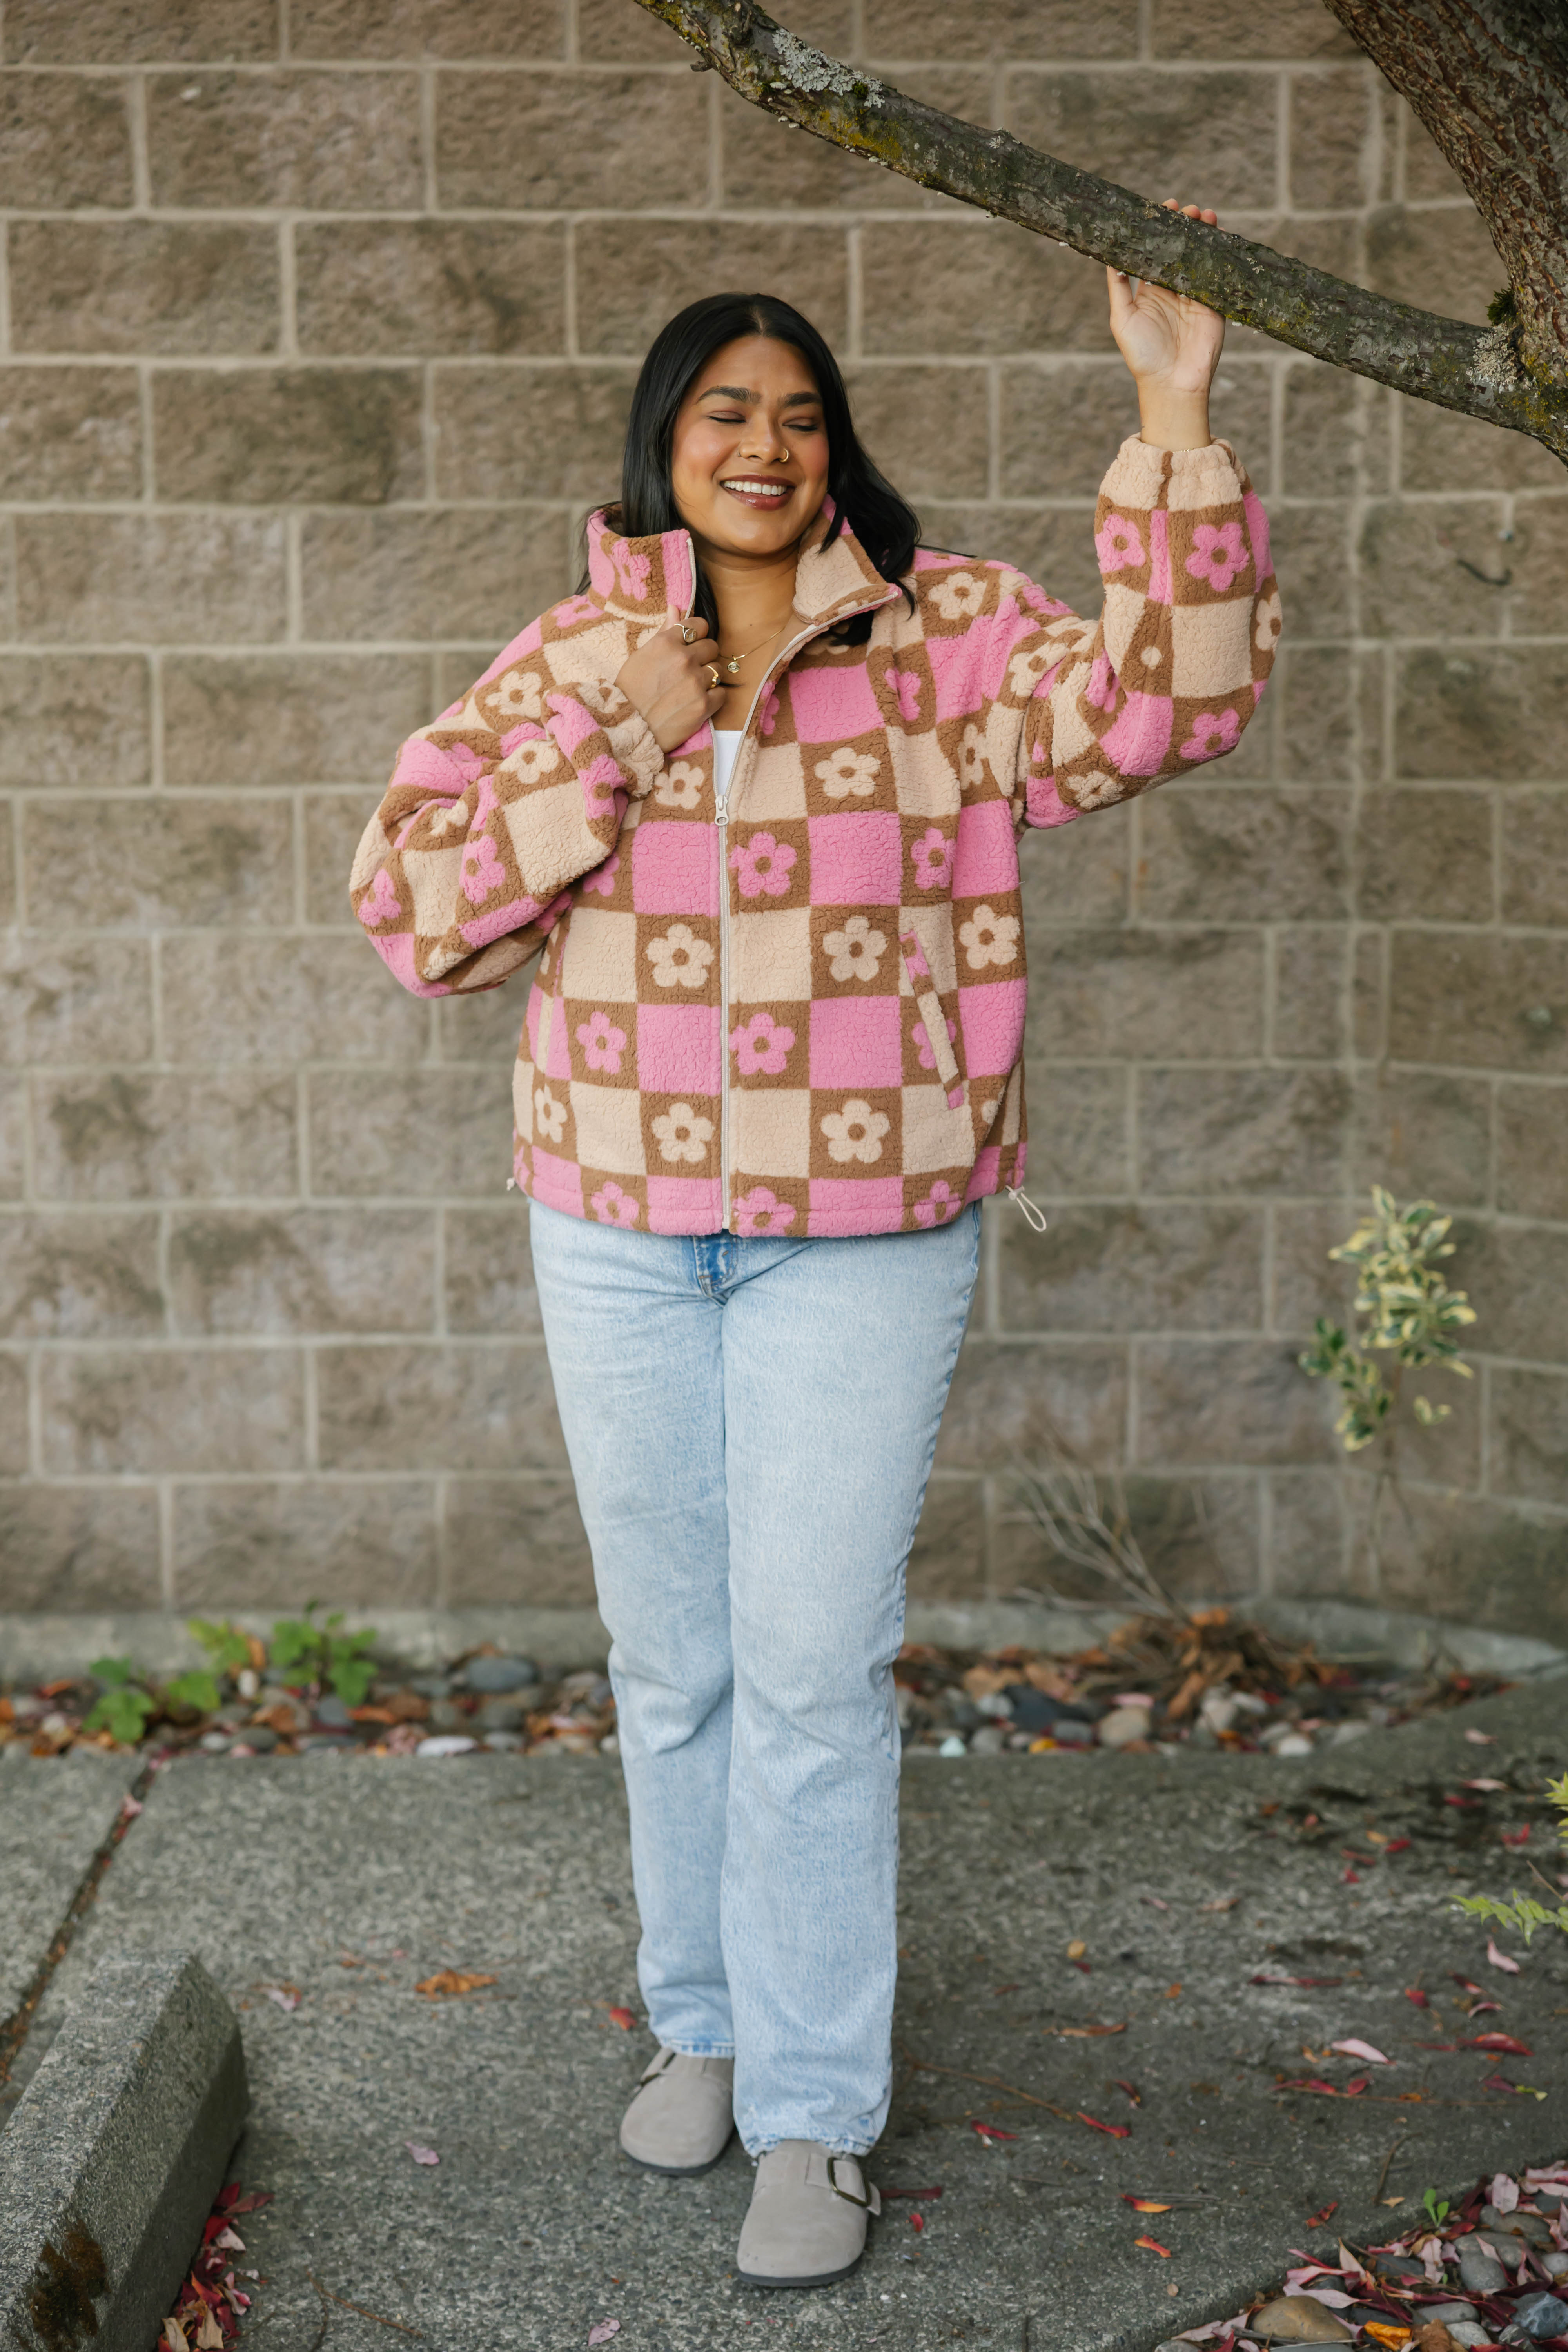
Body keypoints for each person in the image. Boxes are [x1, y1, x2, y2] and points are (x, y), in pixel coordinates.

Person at [350, 203, 1278, 2290]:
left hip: (861, 1234)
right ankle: (701, 2022)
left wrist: (1173, 413)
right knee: (672, 1668)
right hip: (614, 1226)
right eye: (722, 410)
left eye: (796, 412)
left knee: (810, 1675)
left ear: (835, 445)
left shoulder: (951, 638)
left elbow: (1168, 711)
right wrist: (624, 729)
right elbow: (416, 916)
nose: (761, 443)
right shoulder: (569, 658)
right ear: (662, 440)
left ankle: (813, 2117)